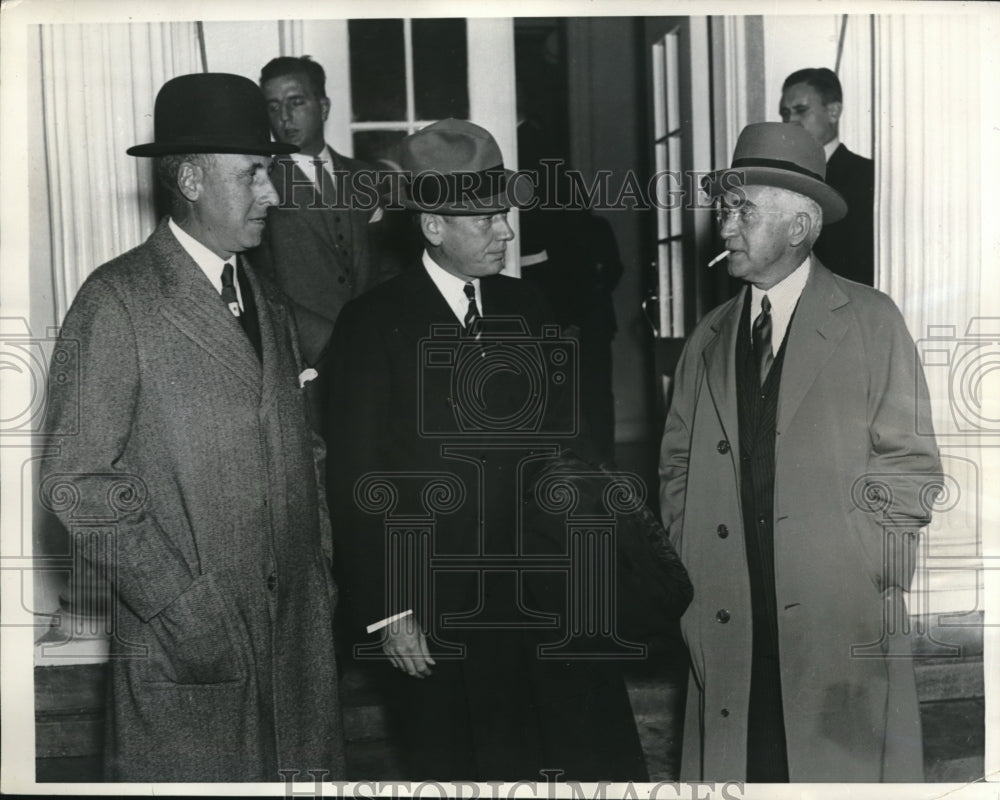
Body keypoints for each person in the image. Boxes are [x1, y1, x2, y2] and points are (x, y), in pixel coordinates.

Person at [39, 73, 344, 782]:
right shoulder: (117, 300)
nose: (272, 193)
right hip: (188, 652)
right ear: (192, 179)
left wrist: (318, 573)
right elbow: (76, 482)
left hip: (297, 653)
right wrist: (183, 611)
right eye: (253, 175)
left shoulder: (265, 299)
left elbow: (306, 446)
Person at [327, 118, 648, 781]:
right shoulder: (371, 325)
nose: (506, 232)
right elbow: (358, 481)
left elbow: (569, 447)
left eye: (503, 215)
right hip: (444, 608)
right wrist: (389, 609)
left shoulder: (529, 307)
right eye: (485, 220)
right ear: (433, 226)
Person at [659, 122, 942, 781]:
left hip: (836, 609)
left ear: (798, 226)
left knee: (834, 769)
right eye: (724, 209)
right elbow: (675, 465)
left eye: (742, 210)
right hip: (729, 607)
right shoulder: (707, 338)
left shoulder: (872, 322)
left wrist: (875, 565)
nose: (723, 226)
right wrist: (689, 557)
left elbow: (911, 465)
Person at [250, 56, 398, 431]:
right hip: (306, 365)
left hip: (376, 360)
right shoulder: (260, 186)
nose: (284, 117)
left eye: (296, 102)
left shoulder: (367, 177)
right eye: (273, 106)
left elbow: (389, 267)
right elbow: (260, 283)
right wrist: (326, 342)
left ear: (324, 106)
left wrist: (379, 335)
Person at [780, 67, 874, 285]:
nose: (789, 121)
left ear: (833, 112)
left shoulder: (867, 176)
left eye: (801, 110)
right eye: (785, 113)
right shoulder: (782, 178)